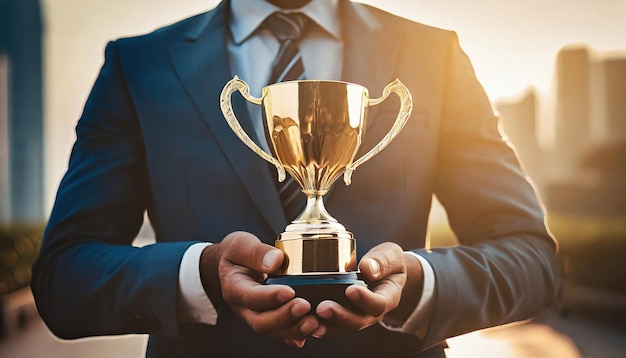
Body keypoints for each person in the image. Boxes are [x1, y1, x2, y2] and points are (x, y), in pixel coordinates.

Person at [31, 0, 561, 357]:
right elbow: (64, 279)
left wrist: (416, 282)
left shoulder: (434, 56)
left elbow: (533, 261)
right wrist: (202, 272)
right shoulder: (139, 66)